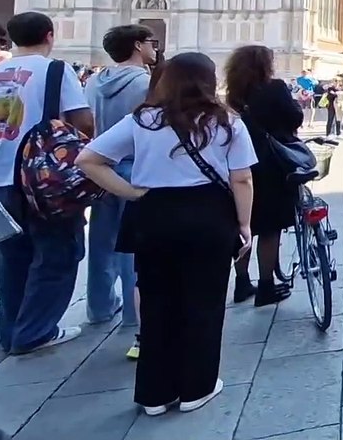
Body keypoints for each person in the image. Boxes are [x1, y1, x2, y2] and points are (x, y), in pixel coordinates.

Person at [76, 52, 256, 416]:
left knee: (156, 302)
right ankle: (196, 388)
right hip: (207, 215)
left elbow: (88, 160)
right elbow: (242, 179)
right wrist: (244, 224)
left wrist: (131, 191)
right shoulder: (227, 122)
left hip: (154, 214)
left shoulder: (142, 120)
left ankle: (154, 394)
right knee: (204, 302)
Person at [0, 11, 94, 355]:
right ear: (50, 35)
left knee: (11, 258)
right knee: (58, 254)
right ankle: (35, 332)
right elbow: (82, 121)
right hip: (40, 180)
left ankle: (10, 331)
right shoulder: (56, 70)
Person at [84, 24, 156, 357]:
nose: (155, 48)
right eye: (151, 42)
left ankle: (99, 307)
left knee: (101, 241)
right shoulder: (145, 83)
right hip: (134, 167)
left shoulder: (95, 81)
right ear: (138, 46)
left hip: (100, 167)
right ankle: (131, 311)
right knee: (133, 244)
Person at [224, 44, 302, 306]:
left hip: (240, 164)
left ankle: (242, 283)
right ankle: (266, 286)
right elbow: (295, 117)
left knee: (244, 225)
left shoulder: (234, 94)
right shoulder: (275, 88)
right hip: (272, 165)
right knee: (270, 228)